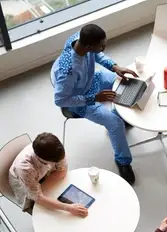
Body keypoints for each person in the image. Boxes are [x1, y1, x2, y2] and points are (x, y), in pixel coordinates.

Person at [51, 24, 138, 184]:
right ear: (89, 46)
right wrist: (95, 98)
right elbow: (60, 100)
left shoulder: (80, 38)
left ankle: (120, 114)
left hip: (92, 79)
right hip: (81, 101)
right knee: (115, 124)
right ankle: (123, 161)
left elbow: (97, 55)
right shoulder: (67, 72)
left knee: (127, 84)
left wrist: (114, 67)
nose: (104, 47)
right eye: (102, 45)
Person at [9, 133, 88, 217]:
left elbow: (62, 170)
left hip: (43, 177)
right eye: (54, 162)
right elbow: (37, 198)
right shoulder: (25, 168)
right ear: (42, 159)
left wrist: (42, 189)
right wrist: (68, 208)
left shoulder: (55, 149)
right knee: (48, 214)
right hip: (24, 183)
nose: (59, 162)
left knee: (59, 193)